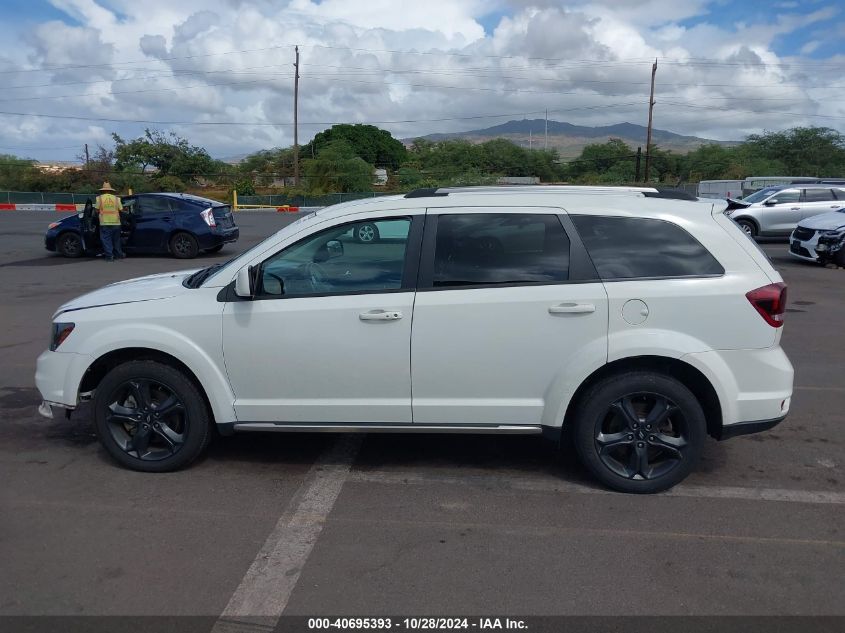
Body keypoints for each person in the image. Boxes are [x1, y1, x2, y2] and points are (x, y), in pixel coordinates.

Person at [94, 182, 124, 261]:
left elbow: (96, 210)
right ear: (111, 191)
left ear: (103, 191)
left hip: (105, 223)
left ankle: (110, 256)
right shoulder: (117, 199)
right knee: (116, 240)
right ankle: (118, 254)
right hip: (116, 223)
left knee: (106, 240)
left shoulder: (99, 198)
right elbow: (121, 209)